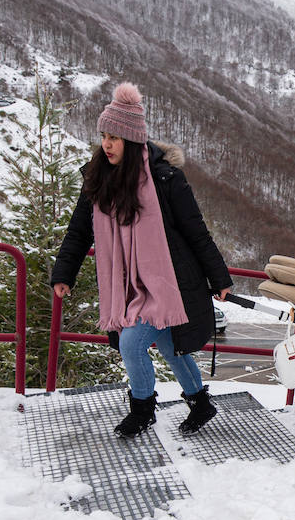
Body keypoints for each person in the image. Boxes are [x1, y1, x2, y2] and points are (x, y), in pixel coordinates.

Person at [51, 82, 233, 438]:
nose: (106, 143)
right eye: (104, 135)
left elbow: (197, 232)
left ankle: (142, 410)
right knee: (168, 345)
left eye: (115, 137)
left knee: (132, 343)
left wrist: (220, 278)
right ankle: (201, 403)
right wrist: (64, 273)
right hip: (128, 284)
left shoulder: (166, 180)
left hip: (167, 282)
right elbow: (78, 231)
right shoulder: (97, 180)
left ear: (132, 141)